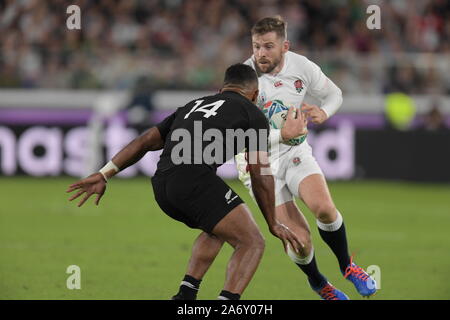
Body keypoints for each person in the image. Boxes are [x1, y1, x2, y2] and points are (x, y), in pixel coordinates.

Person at [177, 16, 377, 300]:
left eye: (268, 46)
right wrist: (282, 132)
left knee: (324, 208)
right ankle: (319, 283)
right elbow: (240, 136)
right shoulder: (244, 78)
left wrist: (325, 112)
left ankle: (347, 266)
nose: (261, 53)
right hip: (256, 162)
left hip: (294, 151)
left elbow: (334, 94)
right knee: (300, 240)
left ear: (285, 46)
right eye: (256, 46)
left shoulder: (302, 66)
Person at [66, 63, 306, 300]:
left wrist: (105, 173)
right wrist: (273, 222)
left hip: (162, 185)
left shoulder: (193, 105)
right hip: (194, 182)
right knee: (252, 242)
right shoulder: (252, 113)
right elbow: (259, 171)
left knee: (218, 228)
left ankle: (185, 295)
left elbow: (145, 140)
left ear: (222, 89)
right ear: (254, 94)